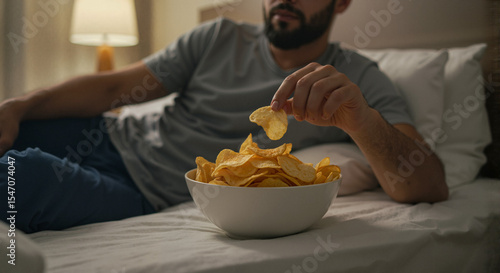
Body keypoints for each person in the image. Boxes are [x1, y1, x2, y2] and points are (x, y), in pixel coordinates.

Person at [0, 0, 448, 233]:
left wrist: (361, 121)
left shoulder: (357, 80)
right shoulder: (218, 36)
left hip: (139, 191)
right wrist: (19, 105)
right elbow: (116, 87)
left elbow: (426, 183)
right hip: (104, 133)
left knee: (22, 177)